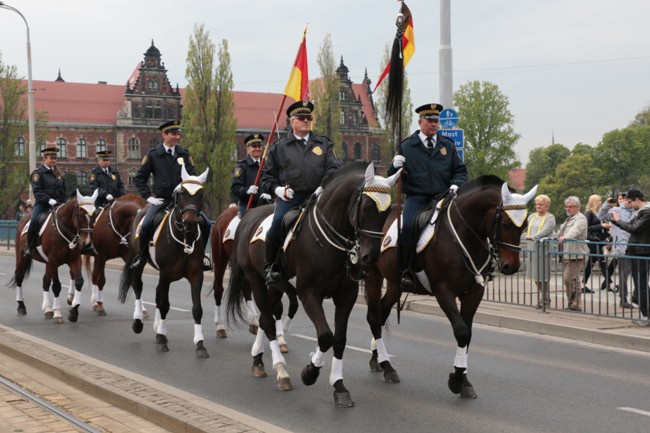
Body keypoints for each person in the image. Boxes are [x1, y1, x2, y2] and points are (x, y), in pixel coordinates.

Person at [387, 103, 469, 291]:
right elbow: (392, 177)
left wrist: (457, 183)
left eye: (436, 121)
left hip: (444, 196)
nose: (434, 125)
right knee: (408, 226)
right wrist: (395, 165)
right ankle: (406, 270)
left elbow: (460, 170)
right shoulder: (407, 146)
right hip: (418, 198)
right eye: (430, 121)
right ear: (420, 122)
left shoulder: (447, 145)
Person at [261, 100, 341, 284]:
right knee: (277, 223)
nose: (306, 121)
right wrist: (279, 190)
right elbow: (267, 178)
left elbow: (334, 168)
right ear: (292, 121)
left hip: (320, 196)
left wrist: (323, 186)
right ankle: (270, 266)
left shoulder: (323, 144)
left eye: (309, 118)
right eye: (302, 118)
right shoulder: (279, 148)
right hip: (292, 197)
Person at [132, 120, 211, 271]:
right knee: (145, 226)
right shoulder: (153, 154)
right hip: (162, 200)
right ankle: (142, 257)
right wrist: (148, 197)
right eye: (173, 134)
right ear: (164, 135)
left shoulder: (184, 153)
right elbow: (139, 178)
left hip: (183, 201)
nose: (176, 137)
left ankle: (201, 256)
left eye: (178, 134)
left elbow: (192, 177)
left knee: (206, 223)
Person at [609, 189, 650, 326]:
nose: (628, 204)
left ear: (637, 199)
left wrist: (618, 220)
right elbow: (631, 226)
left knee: (641, 285)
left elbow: (633, 228)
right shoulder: (641, 212)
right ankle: (646, 313)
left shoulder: (646, 212)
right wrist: (616, 221)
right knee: (641, 285)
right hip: (638, 251)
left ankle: (646, 316)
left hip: (641, 252)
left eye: (630, 201)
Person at [24, 147, 67, 258]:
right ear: (44, 158)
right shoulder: (37, 173)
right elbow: (37, 191)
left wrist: (64, 203)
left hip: (58, 204)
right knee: (33, 221)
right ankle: (29, 246)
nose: (53, 160)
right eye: (51, 158)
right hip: (43, 205)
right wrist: (48, 200)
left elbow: (63, 191)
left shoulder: (58, 173)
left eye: (55, 158)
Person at [602, 192, 635, 309]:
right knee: (624, 274)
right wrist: (606, 204)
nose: (627, 202)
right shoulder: (616, 210)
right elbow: (602, 216)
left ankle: (637, 296)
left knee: (640, 273)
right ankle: (623, 299)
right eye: (624, 199)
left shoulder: (636, 211)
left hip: (636, 247)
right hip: (622, 248)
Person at [557, 196, 589, 311]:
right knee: (574, 279)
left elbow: (575, 231)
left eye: (570, 206)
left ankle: (574, 303)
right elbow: (559, 234)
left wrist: (566, 237)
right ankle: (575, 304)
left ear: (578, 207)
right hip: (567, 253)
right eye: (566, 206)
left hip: (576, 253)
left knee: (568, 278)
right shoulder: (568, 219)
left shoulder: (580, 218)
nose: (568, 209)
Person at [525, 194, 556, 309]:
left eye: (541, 204)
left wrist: (533, 237)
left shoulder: (550, 218)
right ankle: (545, 297)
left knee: (542, 275)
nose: (538, 206)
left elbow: (546, 230)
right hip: (532, 249)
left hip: (543, 250)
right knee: (534, 275)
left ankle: (545, 299)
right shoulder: (532, 216)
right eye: (537, 204)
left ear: (547, 206)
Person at [231, 133, 272, 217]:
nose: (257, 149)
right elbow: (235, 189)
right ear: (248, 148)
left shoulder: (268, 165)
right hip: (249, 206)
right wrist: (247, 191)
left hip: (267, 205)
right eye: (254, 146)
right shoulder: (241, 167)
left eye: (259, 146)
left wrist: (271, 195)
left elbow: (273, 183)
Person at [582, 194, 614, 293]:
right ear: (594, 202)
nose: (601, 202)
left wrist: (605, 227)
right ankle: (610, 284)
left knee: (590, 263)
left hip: (598, 240)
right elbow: (586, 228)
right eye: (599, 200)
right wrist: (601, 225)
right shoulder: (589, 213)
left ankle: (582, 284)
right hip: (592, 240)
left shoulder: (599, 213)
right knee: (602, 260)